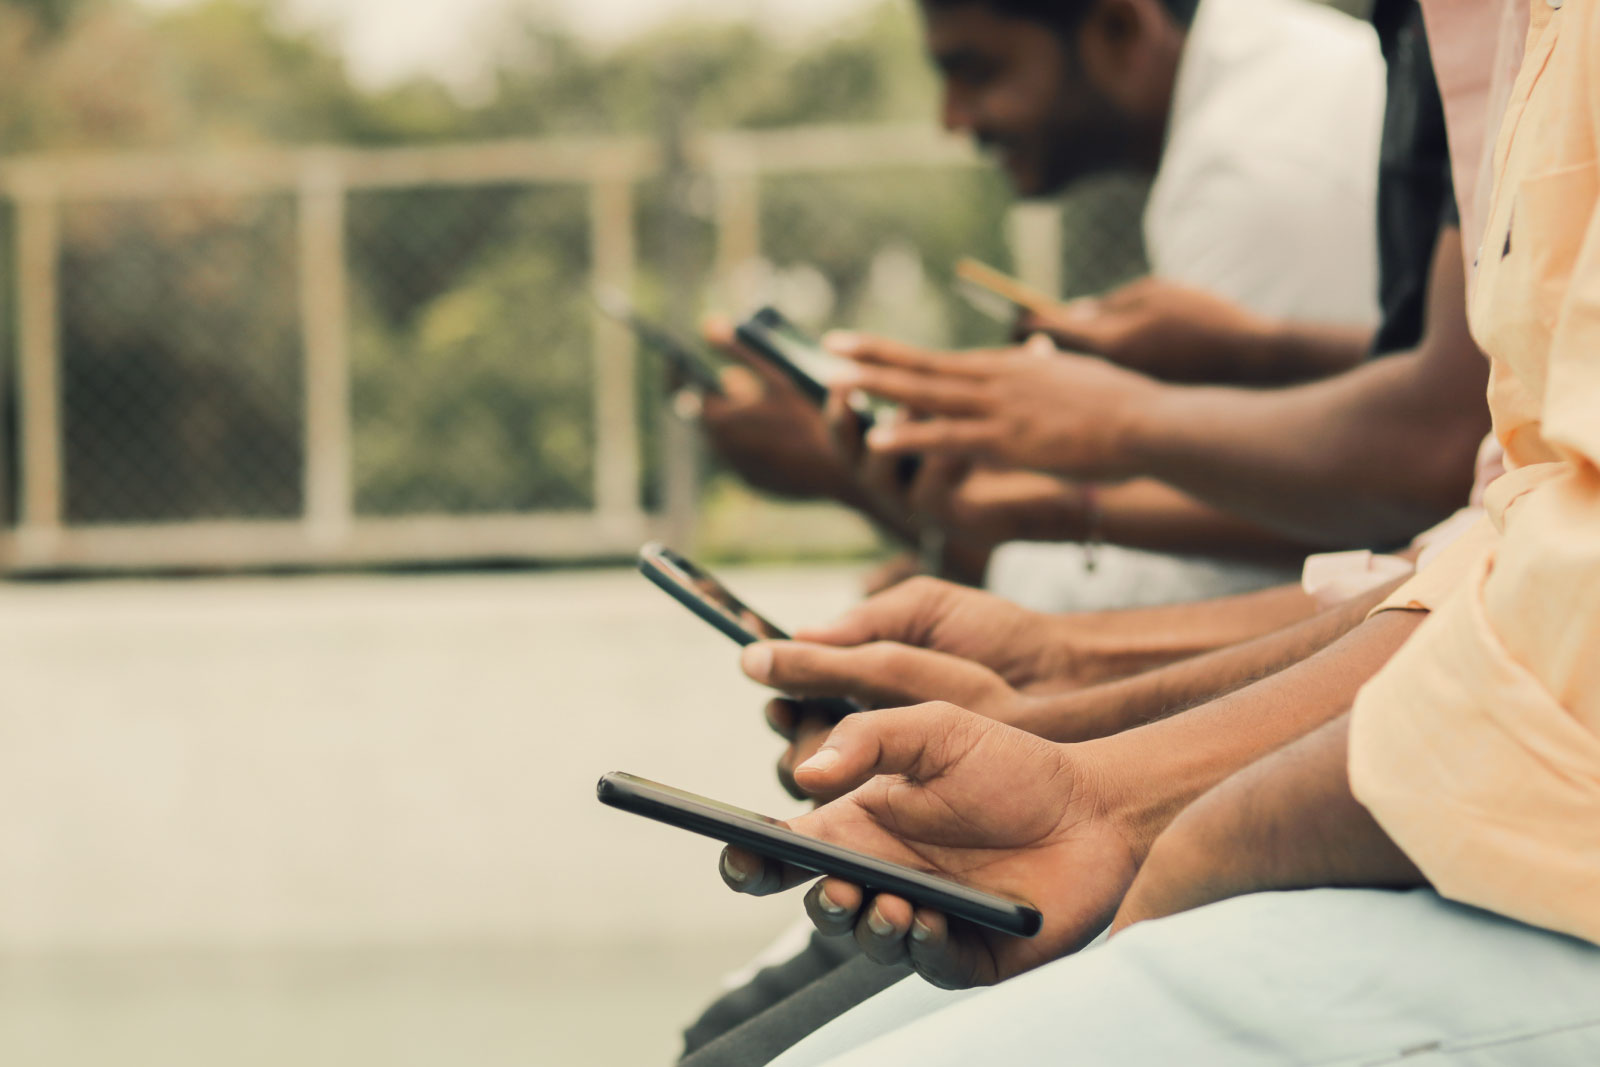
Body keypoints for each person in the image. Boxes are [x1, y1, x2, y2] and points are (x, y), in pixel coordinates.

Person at [707, 1, 1600, 1061]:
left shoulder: (1268, 145)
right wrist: (1074, 724)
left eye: (976, 70)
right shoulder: (1502, 29)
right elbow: (1492, 546)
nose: (955, 120)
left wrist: (1130, 794)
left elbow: (1433, 470)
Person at [690, 0, 1387, 606]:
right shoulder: (1263, 78)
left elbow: (1329, 527)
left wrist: (858, 481)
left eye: (979, 70)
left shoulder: (1255, 178)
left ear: (1118, 26)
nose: (954, 120)